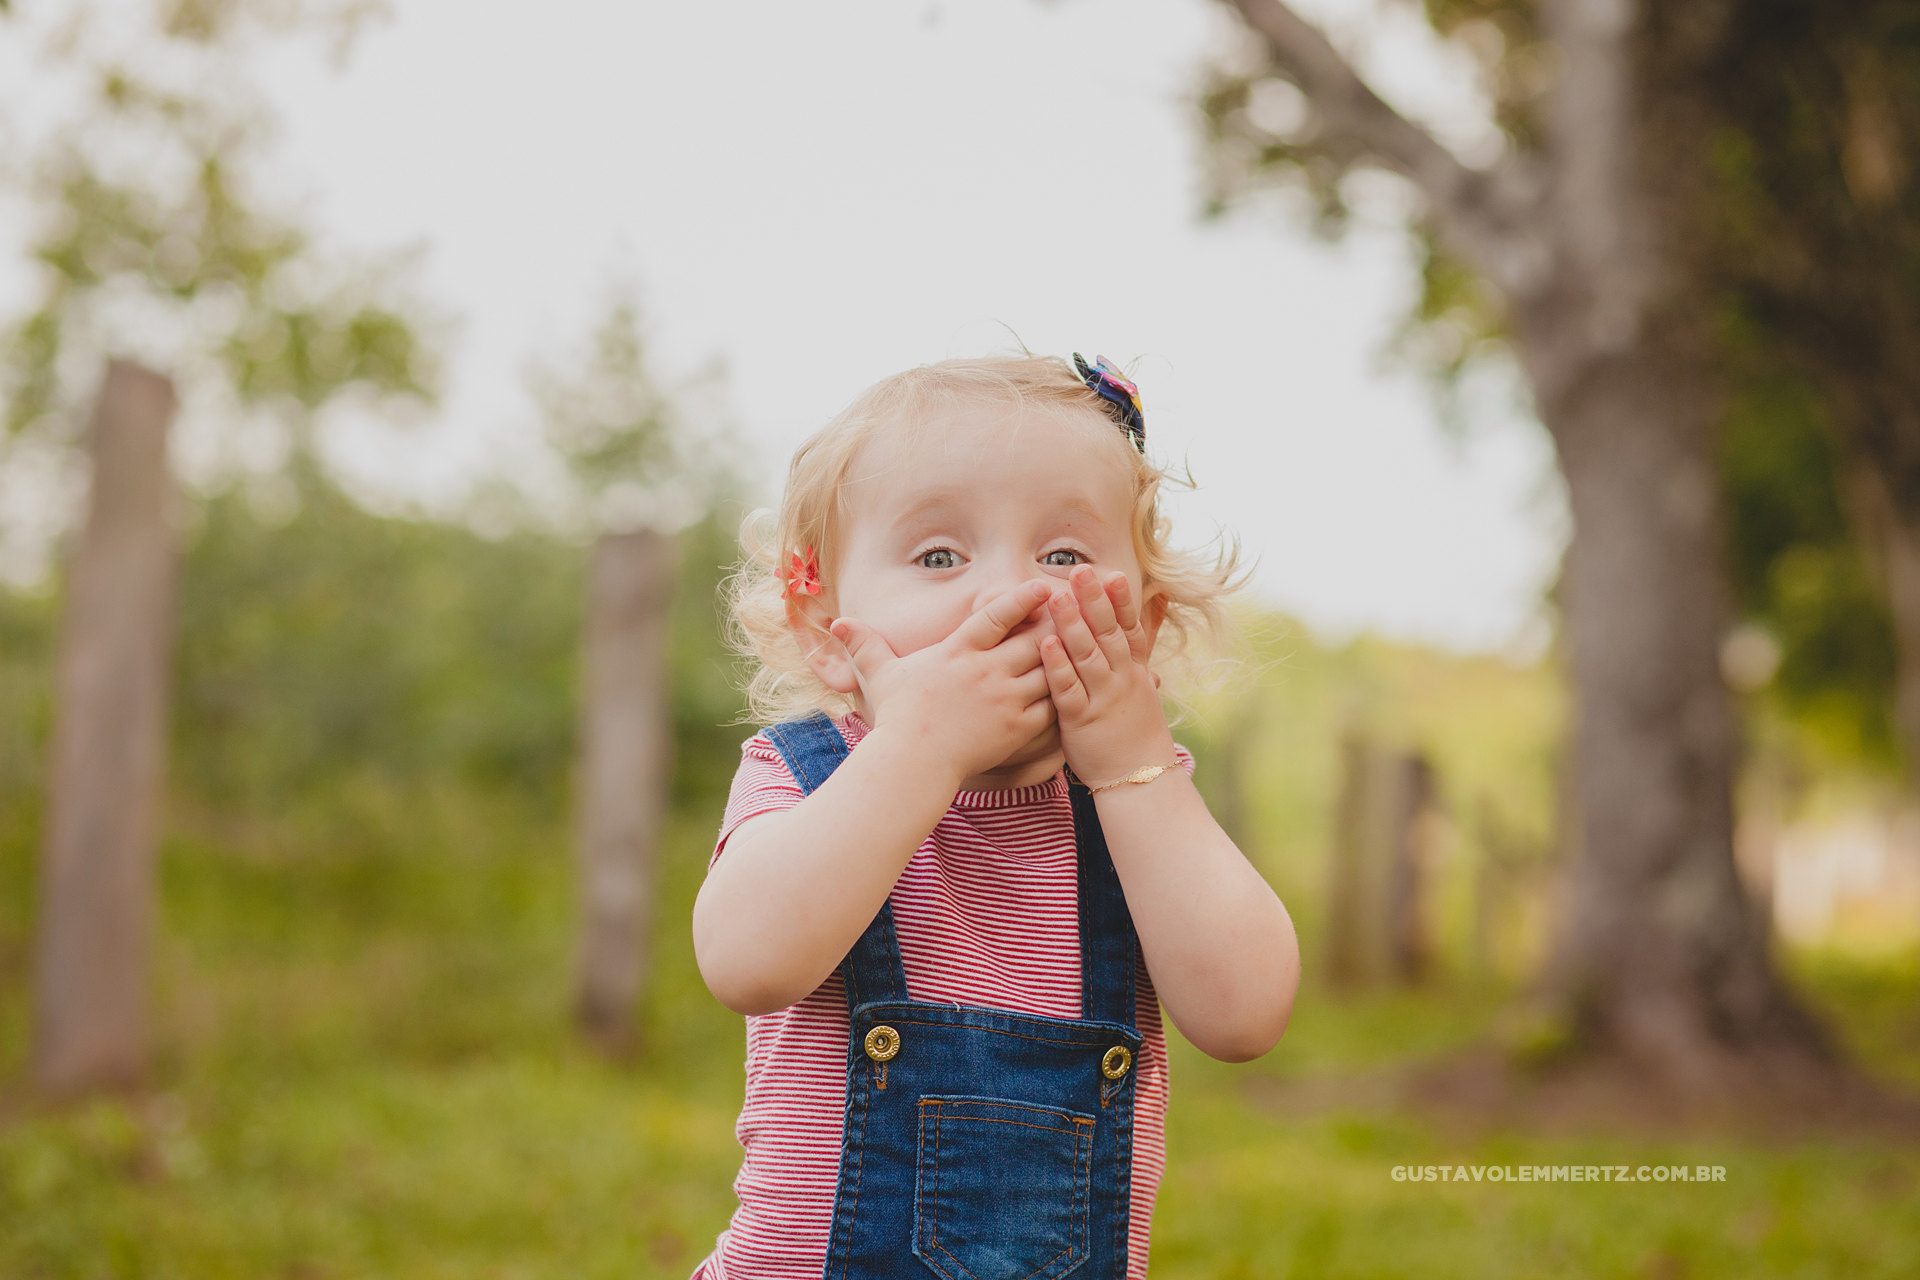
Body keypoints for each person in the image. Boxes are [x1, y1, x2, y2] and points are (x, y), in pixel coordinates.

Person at [689, 352, 1300, 1279]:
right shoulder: (809, 777)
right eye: (940, 556)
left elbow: (1246, 1016)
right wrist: (921, 749)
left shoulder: (1136, 811)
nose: (1009, 596)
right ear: (823, 626)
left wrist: (1137, 766)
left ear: (1138, 622)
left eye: (1064, 555)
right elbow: (746, 961)